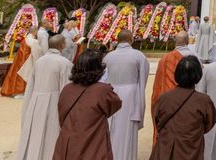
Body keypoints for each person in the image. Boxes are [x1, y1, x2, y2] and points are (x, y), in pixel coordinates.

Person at [53, 49, 122, 160]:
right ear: (99, 69)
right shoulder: (103, 90)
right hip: (92, 141)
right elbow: (115, 105)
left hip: (68, 141)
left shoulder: (67, 89)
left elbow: (62, 117)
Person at [15, 34, 72, 160]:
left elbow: (30, 86)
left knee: (36, 131)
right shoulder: (65, 63)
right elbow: (67, 89)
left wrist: (29, 104)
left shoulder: (39, 62)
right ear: (62, 45)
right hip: (54, 102)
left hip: (35, 101)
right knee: (50, 134)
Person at [151, 55, 216, 160]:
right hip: (192, 148)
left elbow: (157, 121)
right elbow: (210, 123)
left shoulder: (164, 98)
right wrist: (193, 133)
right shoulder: (204, 100)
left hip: (166, 148)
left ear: (177, 74)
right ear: (198, 75)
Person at [103, 29, 150, 160]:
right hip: (131, 97)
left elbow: (103, 79)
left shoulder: (108, 57)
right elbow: (143, 78)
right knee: (127, 132)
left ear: (117, 40)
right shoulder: (138, 56)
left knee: (112, 129)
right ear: (131, 39)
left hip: (111, 95)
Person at [151, 31, 192, 143]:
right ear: (188, 42)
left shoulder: (165, 59)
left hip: (168, 105)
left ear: (175, 42)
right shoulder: (195, 58)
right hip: (190, 103)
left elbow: (158, 85)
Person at [0, 30, 33, 97]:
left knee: (15, 74)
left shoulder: (26, 39)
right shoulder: (31, 40)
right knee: (22, 74)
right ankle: (20, 90)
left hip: (20, 59)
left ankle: (15, 89)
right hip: (25, 60)